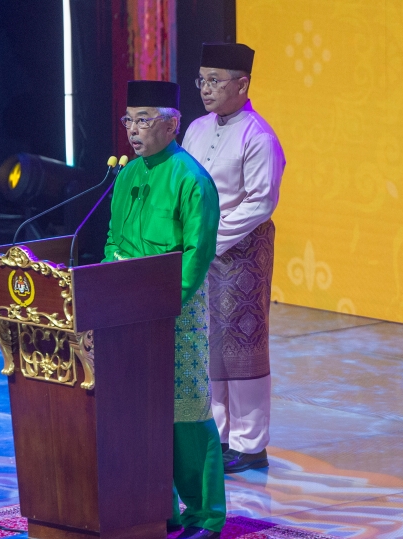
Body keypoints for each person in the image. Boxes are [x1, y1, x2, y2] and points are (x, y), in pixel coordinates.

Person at [104, 80, 225, 539]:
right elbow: (113, 240)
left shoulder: (191, 179)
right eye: (128, 120)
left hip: (177, 311)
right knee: (139, 411)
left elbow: (197, 256)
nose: (134, 130)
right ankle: (156, 506)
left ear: (172, 124)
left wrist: (159, 302)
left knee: (186, 411)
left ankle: (206, 515)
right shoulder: (128, 176)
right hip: (126, 311)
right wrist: (113, 287)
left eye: (144, 120)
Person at [182, 43, 286, 474]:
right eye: (201, 79)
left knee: (242, 346)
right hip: (201, 248)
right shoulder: (196, 128)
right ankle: (221, 433)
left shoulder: (258, 135)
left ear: (242, 84)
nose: (205, 89)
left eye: (215, 80)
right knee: (209, 342)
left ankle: (251, 443)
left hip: (240, 251)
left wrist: (210, 237)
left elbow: (260, 202)